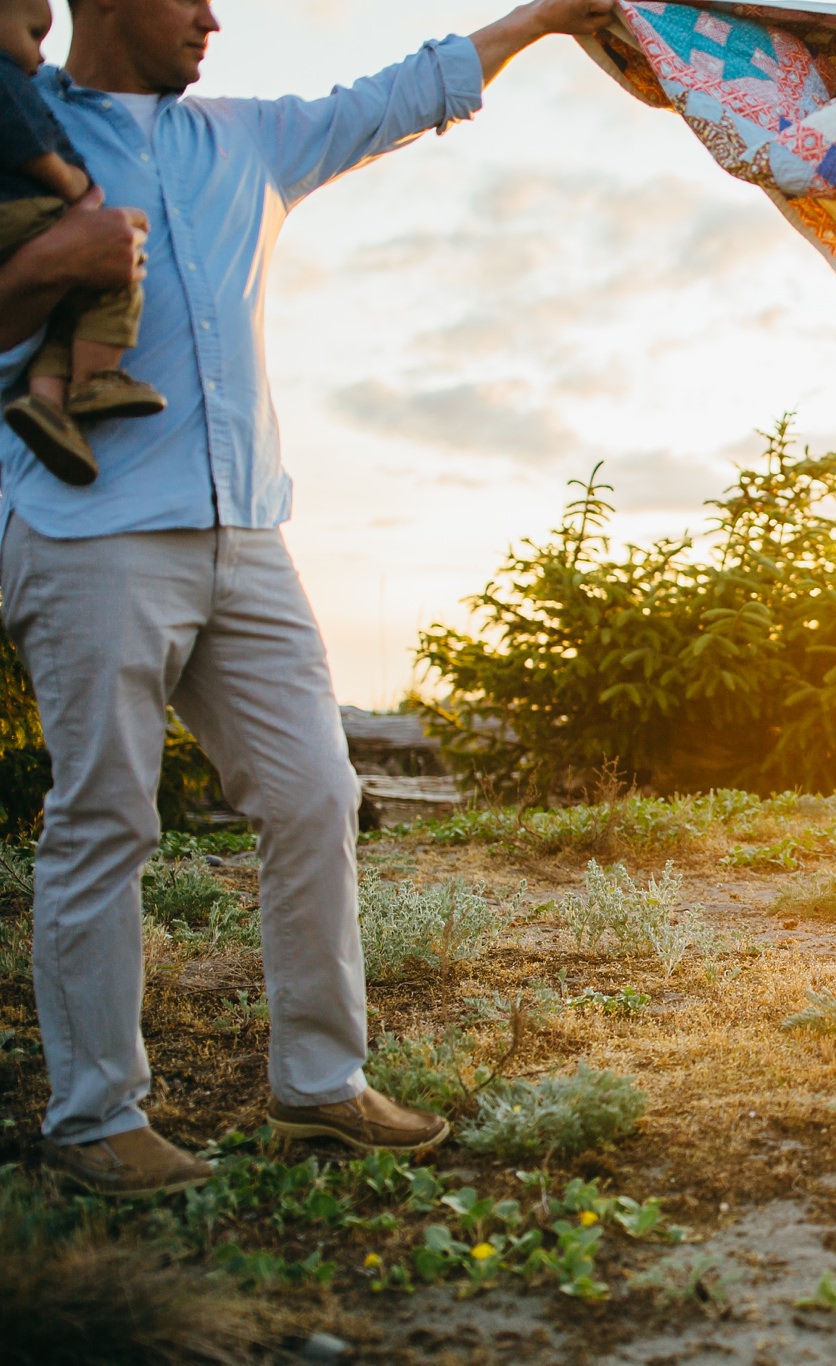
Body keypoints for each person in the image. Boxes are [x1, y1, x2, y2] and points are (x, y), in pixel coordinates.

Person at [0, 0, 621, 1198]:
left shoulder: (250, 137)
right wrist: (51, 267)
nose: (213, 17)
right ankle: (94, 1118)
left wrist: (542, 20)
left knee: (315, 791)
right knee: (105, 820)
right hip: (90, 530)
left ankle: (320, 1086)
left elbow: (400, 94)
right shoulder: (13, 124)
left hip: (247, 530)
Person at [0, 0, 162, 486]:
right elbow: (22, 138)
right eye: (34, 36)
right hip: (21, 210)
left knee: (65, 306)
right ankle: (94, 380)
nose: (41, 58)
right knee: (114, 257)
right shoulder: (6, 78)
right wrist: (73, 188)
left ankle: (47, 404)